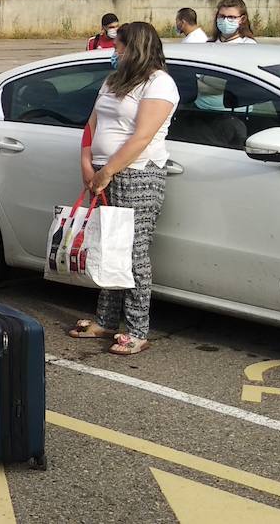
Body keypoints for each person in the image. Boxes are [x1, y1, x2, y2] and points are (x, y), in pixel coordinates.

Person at [69, 22, 178, 356]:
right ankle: (106, 319)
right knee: (108, 247)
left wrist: (108, 172)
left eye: (120, 46)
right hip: (104, 173)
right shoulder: (112, 81)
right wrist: (88, 164)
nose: (114, 51)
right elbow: (91, 125)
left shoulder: (159, 84)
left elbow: (141, 137)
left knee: (133, 253)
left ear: (137, 49)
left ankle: (137, 328)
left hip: (137, 175)